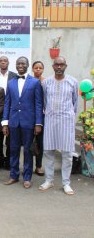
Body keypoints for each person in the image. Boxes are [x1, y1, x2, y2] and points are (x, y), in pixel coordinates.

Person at [39, 57, 78, 195]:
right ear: (53, 66)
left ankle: (66, 183)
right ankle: (49, 180)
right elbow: (44, 101)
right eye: (57, 65)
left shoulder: (73, 82)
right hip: (50, 120)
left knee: (67, 153)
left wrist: (70, 116)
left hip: (66, 121)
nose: (59, 67)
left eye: (62, 65)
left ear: (65, 66)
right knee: (48, 151)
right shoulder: (46, 83)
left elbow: (75, 103)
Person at [2, 57, 43, 189]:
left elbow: (38, 104)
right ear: (15, 65)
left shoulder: (35, 82)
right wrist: (5, 123)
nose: (20, 65)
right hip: (14, 122)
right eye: (18, 63)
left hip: (28, 122)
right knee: (13, 150)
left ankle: (27, 177)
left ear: (27, 65)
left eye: (23, 64)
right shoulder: (11, 83)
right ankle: (13, 175)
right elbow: (7, 103)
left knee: (27, 151)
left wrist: (38, 123)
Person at [0, 56, 17, 169]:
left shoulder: (14, 76)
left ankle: (8, 160)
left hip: (10, 110)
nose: (3, 63)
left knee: (9, 138)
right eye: (1, 61)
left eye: (5, 61)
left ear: (8, 63)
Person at [32, 60, 45, 176]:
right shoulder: (29, 82)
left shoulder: (46, 82)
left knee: (40, 143)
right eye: (36, 68)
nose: (38, 70)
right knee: (29, 142)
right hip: (30, 116)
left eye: (40, 68)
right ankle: (28, 166)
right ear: (32, 69)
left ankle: (39, 166)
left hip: (42, 116)